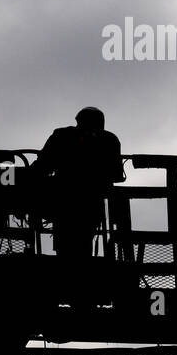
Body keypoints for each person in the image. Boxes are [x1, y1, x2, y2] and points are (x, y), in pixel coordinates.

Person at [29, 106, 124, 262]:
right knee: (83, 242)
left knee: (65, 244)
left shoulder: (62, 135)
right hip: (91, 202)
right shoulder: (109, 139)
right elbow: (116, 174)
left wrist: (14, 177)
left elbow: (42, 167)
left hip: (64, 201)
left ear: (78, 120)